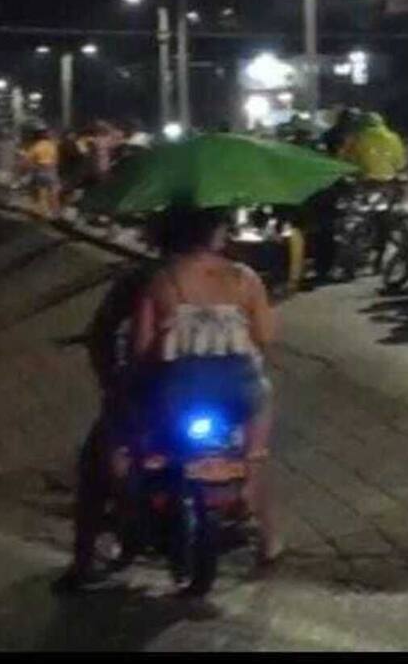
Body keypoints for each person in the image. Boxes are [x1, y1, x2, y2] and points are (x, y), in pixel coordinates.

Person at [129, 207, 281, 563]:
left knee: (142, 437)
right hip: (238, 392)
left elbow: (141, 348)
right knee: (257, 446)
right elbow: (265, 337)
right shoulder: (245, 279)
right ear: (217, 235)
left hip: (179, 392)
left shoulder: (162, 281)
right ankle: (269, 536)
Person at [53, 259, 161, 593]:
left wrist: (115, 384)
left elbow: (107, 337)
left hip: (149, 397)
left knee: (94, 470)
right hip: (221, 393)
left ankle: (83, 560)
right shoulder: (233, 277)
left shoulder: (146, 280)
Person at [339, 112, 406, 182]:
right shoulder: (394, 137)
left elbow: (344, 156)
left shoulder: (358, 136)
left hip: (364, 176)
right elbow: (400, 163)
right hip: (388, 177)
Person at [25, 128, 60, 218]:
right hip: (51, 171)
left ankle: (43, 213)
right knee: (53, 192)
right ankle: (55, 213)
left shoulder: (36, 146)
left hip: (40, 171)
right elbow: (56, 160)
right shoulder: (53, 145)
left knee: (42, 193)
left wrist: (35, 167)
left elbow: (28, 161)